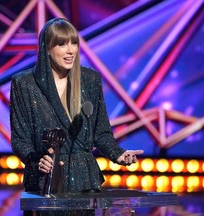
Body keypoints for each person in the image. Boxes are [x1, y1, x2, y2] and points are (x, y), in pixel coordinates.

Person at [10, 17, 143, 214]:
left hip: (84, 179)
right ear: (46, 48)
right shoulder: (24, 84)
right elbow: (20, 139)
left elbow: (101, 132)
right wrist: (37, 160)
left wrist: (118, 154)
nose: (71, 50)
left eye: (74, 43)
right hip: (44, 181)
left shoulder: (90, 80)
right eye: (62, 44)